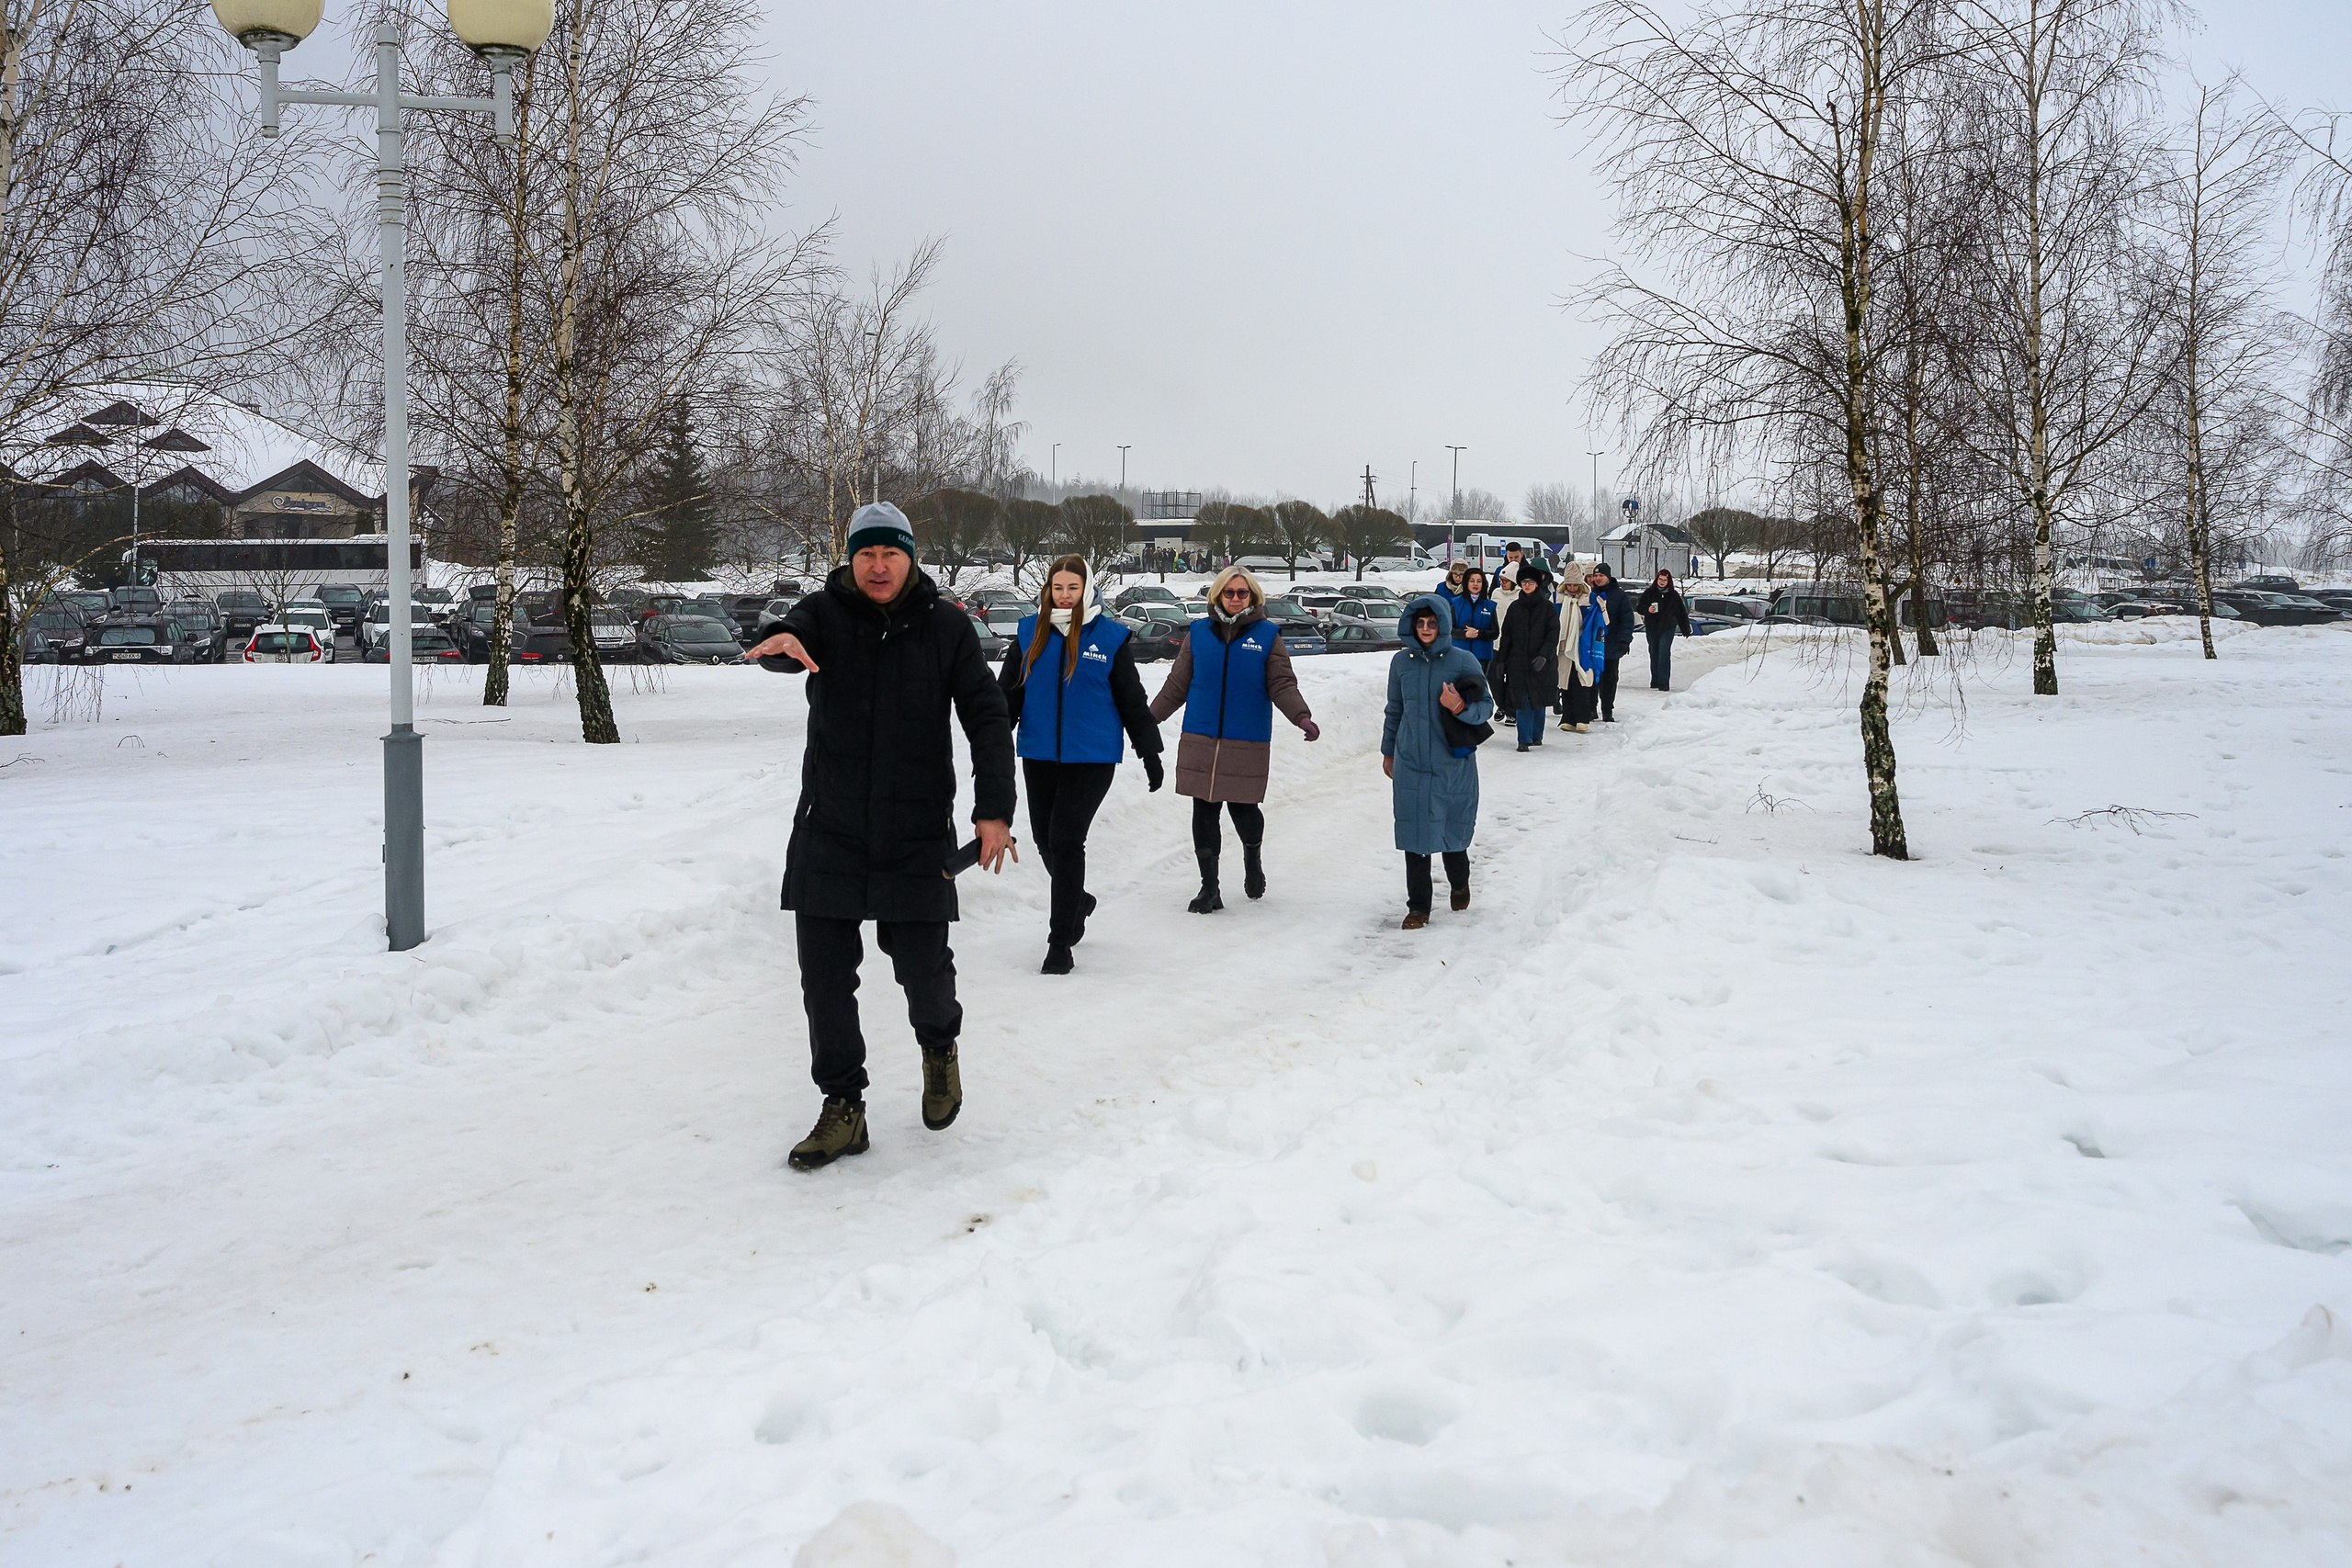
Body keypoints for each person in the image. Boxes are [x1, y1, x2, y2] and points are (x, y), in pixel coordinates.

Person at [744, 502, 1016, 1171]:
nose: (877, 564)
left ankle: (938, 1045)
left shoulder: (947, 625)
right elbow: (794, 628)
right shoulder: (826, 613)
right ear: (851, 558)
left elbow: (986, 715)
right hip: (830, 828)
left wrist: (994, 811)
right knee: (826, 978)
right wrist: (781, 640)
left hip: (915, 831)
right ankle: (844, 1106)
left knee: (925, 974)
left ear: (910, 557)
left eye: (890, 552)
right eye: (865, 552)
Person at [998, 553, 1165, 976]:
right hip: (1038, 753)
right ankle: (1079, 900)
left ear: (1087, 589)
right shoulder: (1027, 633)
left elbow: (1131, 701)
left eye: (1073, 588)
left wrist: (1150, 752)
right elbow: (1008, 697)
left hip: (1091, 757)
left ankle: (1060, 941)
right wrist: (993, 738)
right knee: (1044, 839)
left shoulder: (1110, 638)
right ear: (1048, 590)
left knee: (1066, 839)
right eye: (1058, 588)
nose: (1065, 595)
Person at [1148, 565, 1319, 912]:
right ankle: (1209, 888)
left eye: (1242, 593)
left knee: (1244, 809)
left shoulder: (1267, 635)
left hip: (1247, 739)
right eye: (1229, 592)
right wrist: (1149, 721)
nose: (1236, 598)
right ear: (1218, 595)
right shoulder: (1198, 634)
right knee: (1204, 811)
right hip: (1201, 736)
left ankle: (1252, 859)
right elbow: (1177, 685)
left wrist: (1302, 716)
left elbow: (1282, 683)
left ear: (1252, 597)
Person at [1382, 595, 1494, 929]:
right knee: (1415, 837)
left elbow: (1486, 707)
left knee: (1450, 835)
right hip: (1411, 760)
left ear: (1443, 624)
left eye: (1433, 623)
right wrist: (1388, 751)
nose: (1426, 629)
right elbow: (1394, 710)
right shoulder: (1401, 663)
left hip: (1451, 763)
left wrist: (1460, 706)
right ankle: (1418, 908)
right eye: (1420, 623)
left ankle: (1459, 882)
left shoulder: (1463, 661)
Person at [1494, 562, 1560, 750]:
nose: (1527, 585)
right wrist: (1501, 660)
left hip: (1540, 664)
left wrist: (1544, 656)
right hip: (1518, 663)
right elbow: (1506, 636)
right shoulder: (1514, 608)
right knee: (1522, 701)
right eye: (1523, 582)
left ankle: (1536, 735)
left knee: (1538, 700)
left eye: (1530, 582)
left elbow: (1553, 634)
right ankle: (1523, 739)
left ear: (1537, 584)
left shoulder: (1547, 608)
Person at [1557, 567, 1603, 732]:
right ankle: (1568, 717)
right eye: (1568, 585)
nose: (1572, 588)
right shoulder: (1557, 599)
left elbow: (1601, 622)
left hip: (1583, 647)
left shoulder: (1590, 599)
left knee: (1582, 682)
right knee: (1566, 683)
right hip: (1563, 647)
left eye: (1575, 585)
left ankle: (1583, 717)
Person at [1587, 562, 1634, 722]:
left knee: (1609, 679)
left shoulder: (1619, 596)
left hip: (1611, 645)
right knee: (1590, 678)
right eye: (1596, 576)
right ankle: (1591, 708)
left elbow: (1627, 619)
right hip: (1592, 645)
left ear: (1608, 577)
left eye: (1601, 575)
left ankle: (1607, 709)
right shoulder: (1589, 594)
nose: (1598, 578)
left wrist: (1624, 640)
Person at [1634, 568, 1694, 690]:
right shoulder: (1649, 593)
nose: (1662, 582)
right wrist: (1648, 610)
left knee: (1664, 652)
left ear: (1669, 581)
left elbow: (1681, 613)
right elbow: (1640, 607)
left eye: (1664, 580)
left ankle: (1663, 682)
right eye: (1660, 580)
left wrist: (1685, 629)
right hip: (1652, 627)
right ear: (1657, 580)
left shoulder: (1673, 595)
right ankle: (1655, 680)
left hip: (1668, 627)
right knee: (1654, 653)